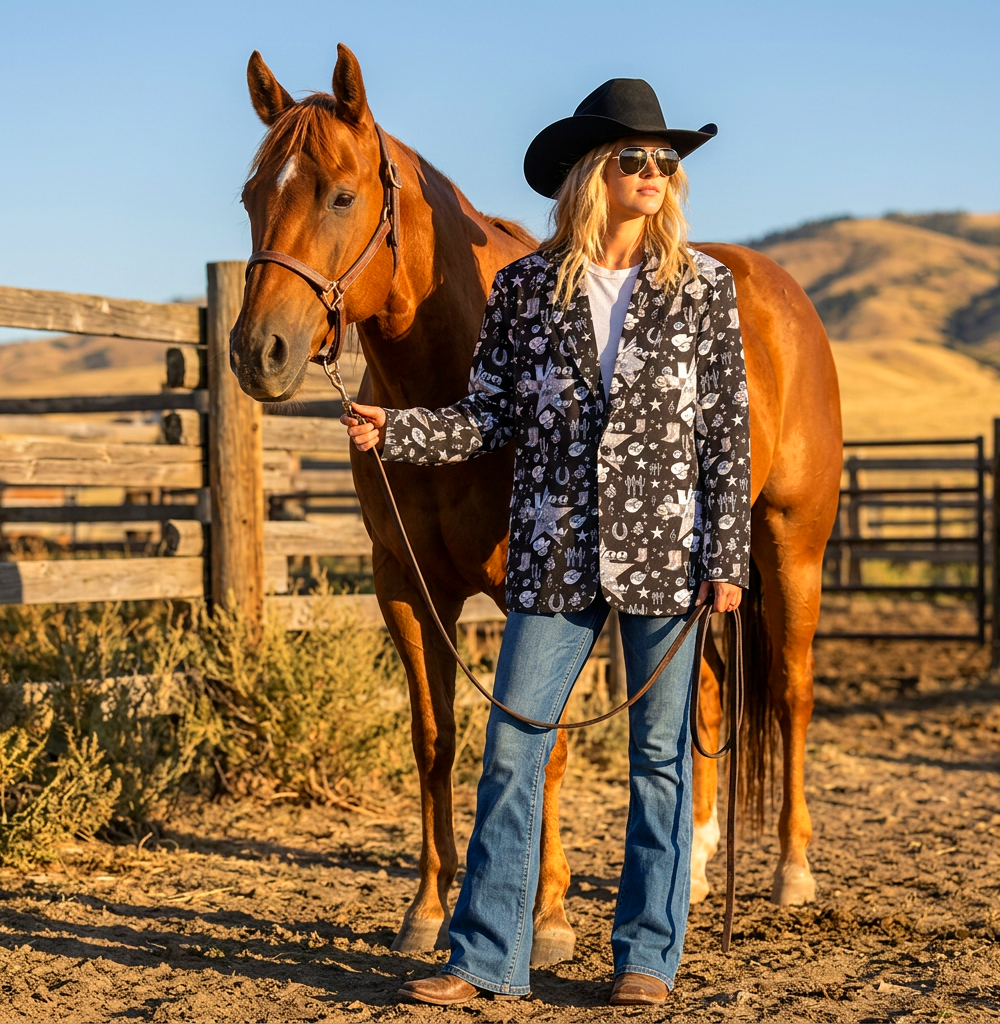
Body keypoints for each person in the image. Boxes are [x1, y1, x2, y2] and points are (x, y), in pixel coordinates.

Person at [343, 78, 750, 1008]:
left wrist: (727, 557)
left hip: (668, 552)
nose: (654, 172)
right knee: (515, 745)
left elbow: (728, 429)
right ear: (589, 174)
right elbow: (488, 416)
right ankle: (484, 956)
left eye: (666, 161)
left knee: (659, 755)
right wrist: (395, 431)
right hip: (554, 547)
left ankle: (646, 956)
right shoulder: (527, 288)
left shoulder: (703, 290)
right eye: (634, 158)